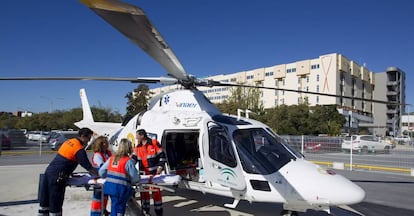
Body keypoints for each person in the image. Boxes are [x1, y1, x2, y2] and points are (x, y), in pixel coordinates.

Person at [38, 127, 98, 216]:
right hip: (58, 176)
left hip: (49, 172)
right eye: (88, 138)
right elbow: (87, 166)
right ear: (82, 136)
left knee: (45, 202)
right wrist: (98, 175)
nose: (88, 141)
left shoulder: (69, 141)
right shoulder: (79, 149)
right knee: (55, 202)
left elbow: (65, 158)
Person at [99, 138, 140, 216]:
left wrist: (108, 176)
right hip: (121, 189)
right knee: (120, 209)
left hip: (110, 187)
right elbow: (135, 178)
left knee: (114, 206)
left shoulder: (111, 159)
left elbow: (101, 172)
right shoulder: (128, 161)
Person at [134, 129, 166, 216]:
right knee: (144, 193)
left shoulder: (154, 143)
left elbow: (162, 156)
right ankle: (146, 211)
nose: (136, 138)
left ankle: (159, 212)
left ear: (142, 136)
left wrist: (160, 167)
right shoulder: (137, 147)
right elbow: (133, 159)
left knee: (156, 192)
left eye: (137, 136)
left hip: (154, 174)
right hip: (143, 175)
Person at [90, 136, 112, 216]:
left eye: (106, 142)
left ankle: (103, 210)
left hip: (106, 179)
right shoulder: (97, 155)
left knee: (105, 197)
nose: (107, 144)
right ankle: (95, 213)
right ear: (100, 144)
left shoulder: (108, 153)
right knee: (98, 199)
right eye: (104, 142)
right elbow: (102, 167)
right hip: (99, 179)